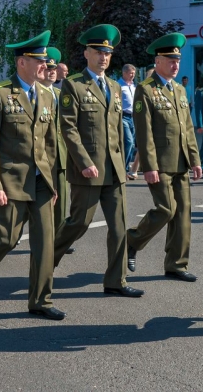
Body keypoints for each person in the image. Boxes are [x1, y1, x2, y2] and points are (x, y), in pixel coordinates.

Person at [0, 31, 64, 320]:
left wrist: (53, 182)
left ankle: (41, 301)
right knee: (6, 238)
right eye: (39, 60)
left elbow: (49, 145)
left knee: (45, 242)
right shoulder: (0, 93)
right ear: (22, 62)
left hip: (41, 181)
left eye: (45, 60)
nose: (45, 65)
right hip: (10, 180)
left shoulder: (47, 96)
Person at [55, 25, 143, 297]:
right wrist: (83, 161)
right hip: (88, 169)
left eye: (108, 53)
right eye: (98, 52)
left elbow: (116, 129)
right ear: (86, 54)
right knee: (79, 223)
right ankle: (45, 263)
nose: (103, 57)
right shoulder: (74, 85)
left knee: (118, 228)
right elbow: (68, 127)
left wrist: (127, 163)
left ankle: (116, 281)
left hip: (114, 170)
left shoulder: (115, 87)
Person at [127, 33, 202, 283]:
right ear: (158, 61)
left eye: (177, 59)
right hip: (159, 163)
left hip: (180, 162)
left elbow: (187, 127)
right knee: (166, 210)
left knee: (182, 214)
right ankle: (132, 241)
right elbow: (144, 131)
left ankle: (176, 264)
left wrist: (195, 160)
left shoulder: (179, 89)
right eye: (170, 59)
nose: (175, 64)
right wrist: (148, 166)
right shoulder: (146, 90)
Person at [38, 47, 71, 251]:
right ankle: (39, 236)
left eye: (53, 68)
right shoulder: (34, 92)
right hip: (42, 155)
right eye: (47, 68)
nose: (51, 71)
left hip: (61, 153)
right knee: (41, 200)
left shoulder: (60, 93)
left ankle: (58, 239)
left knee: (62, 199)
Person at [119, 64, 138, 180]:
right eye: (131, 73)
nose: (132, 76)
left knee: (131, 145)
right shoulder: (118, 85)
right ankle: (124, 169)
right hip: (123, 116)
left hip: (133, 117)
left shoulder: (133, 86)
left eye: (134, 74)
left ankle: (126, 168)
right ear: (124, 73)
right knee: (129, 141)